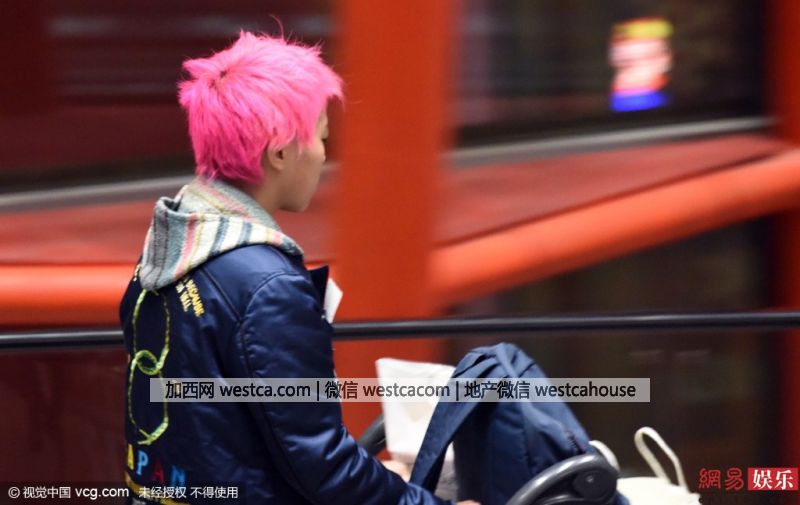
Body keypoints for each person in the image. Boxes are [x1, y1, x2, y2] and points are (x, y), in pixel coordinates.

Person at [120, 31, 478, 505]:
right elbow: (321, 464)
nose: (324, 155)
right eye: (321, 138)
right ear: (280, 151)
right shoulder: (267, 287)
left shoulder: (166, 250)